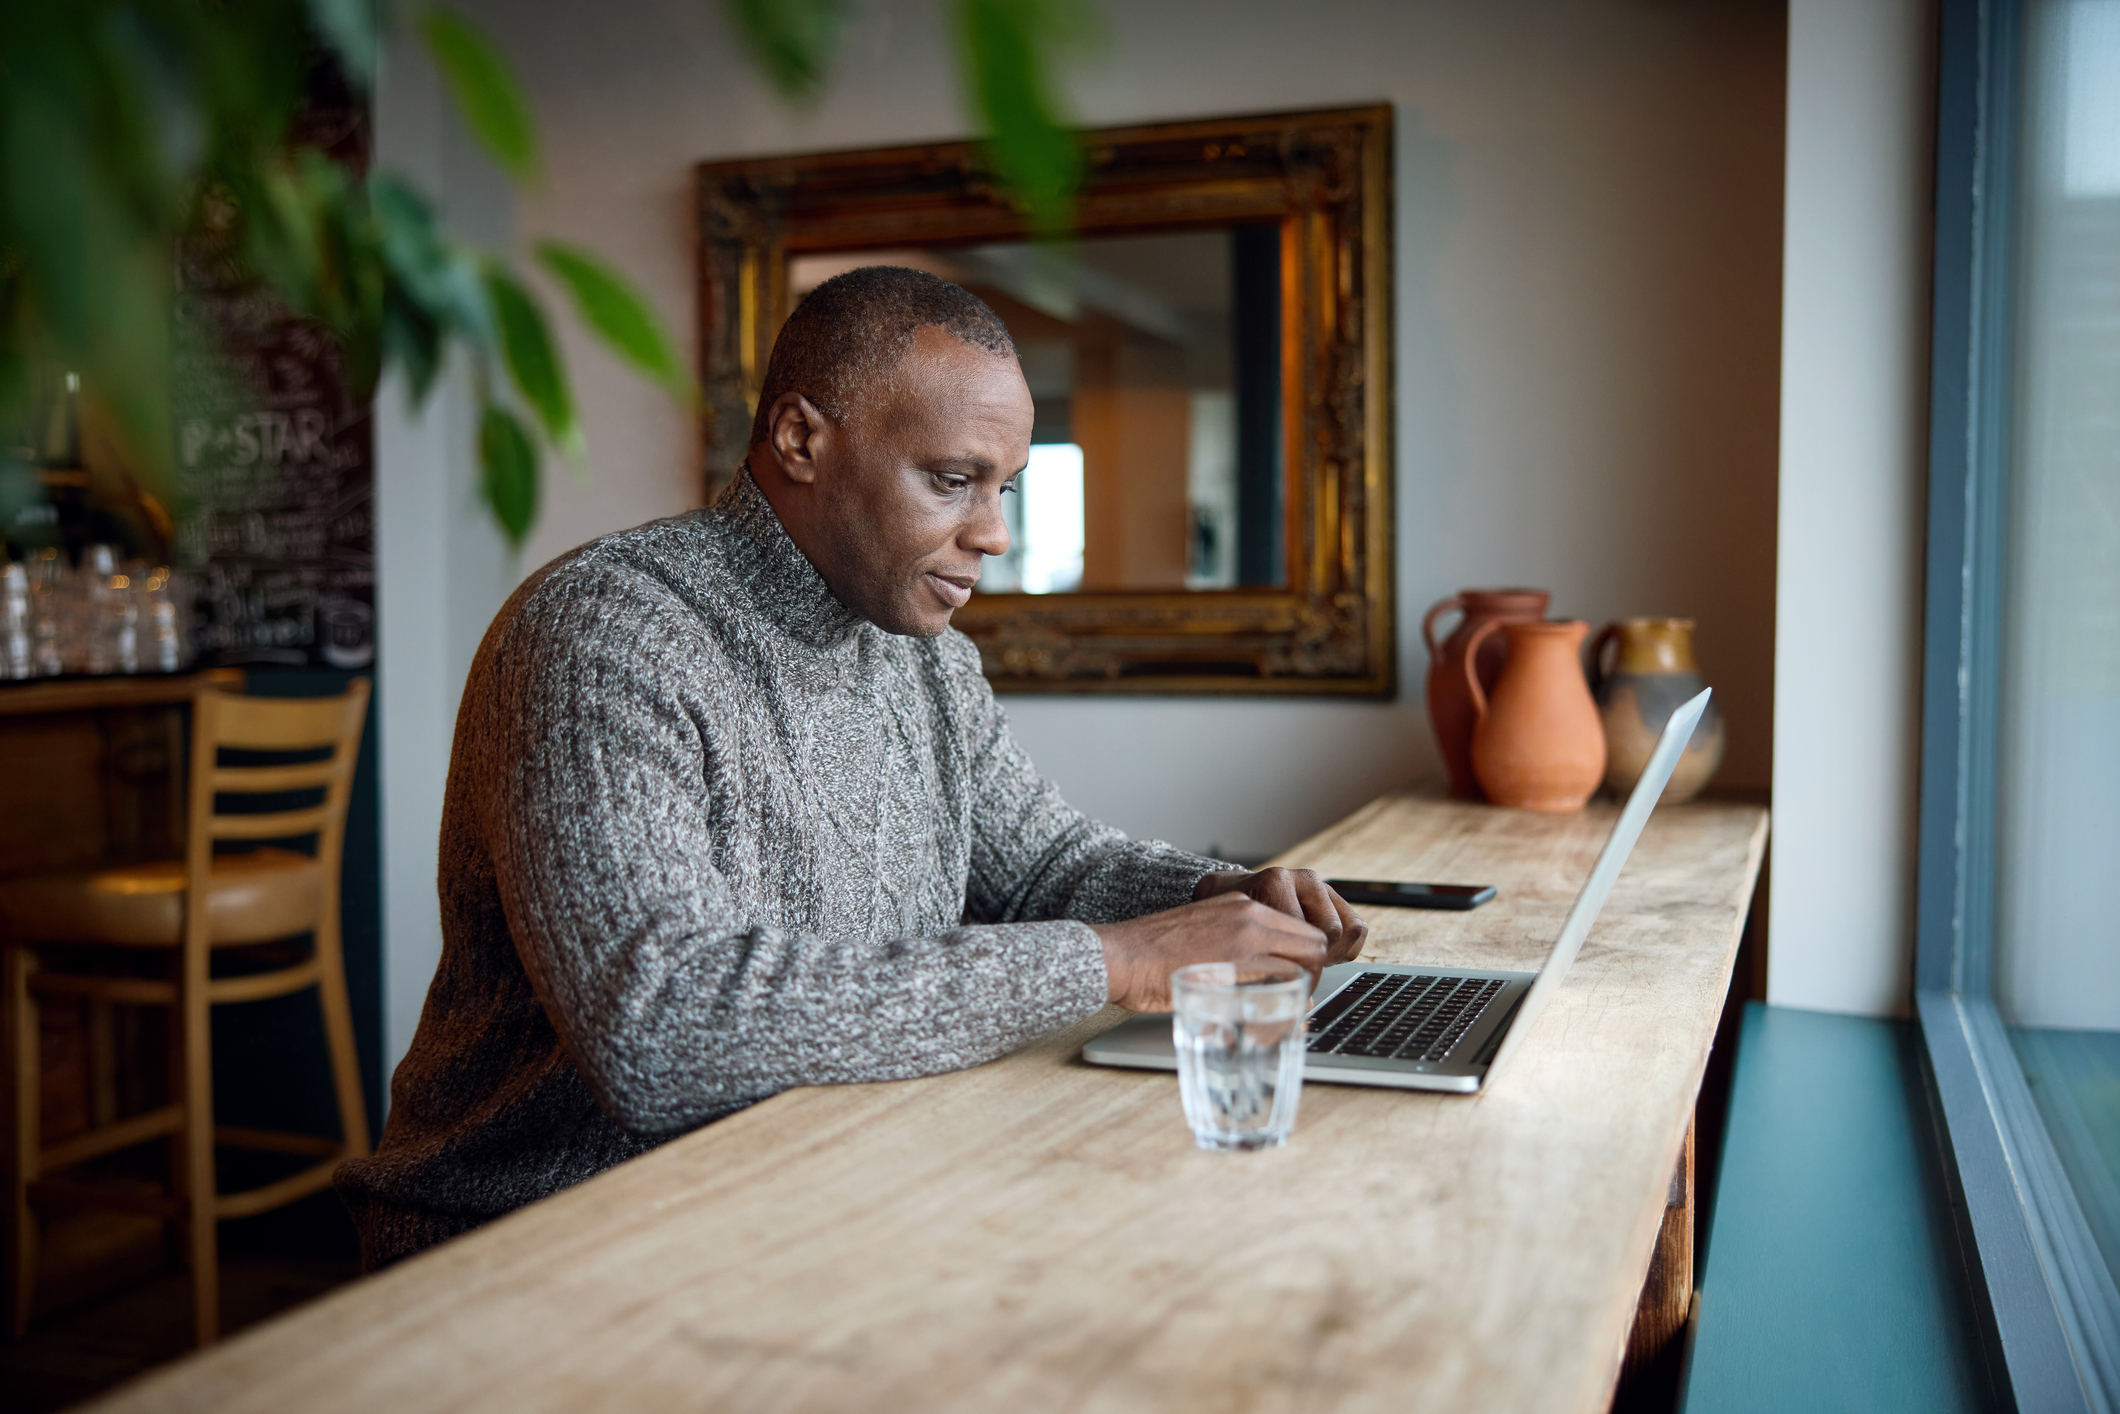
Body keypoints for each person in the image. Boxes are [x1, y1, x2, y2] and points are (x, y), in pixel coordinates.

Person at [336, 267, 1367, 1269]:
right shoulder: (605, 635)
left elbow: (1047, 861)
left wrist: (1213, 898)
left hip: (802, 1200)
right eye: (952, 480)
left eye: (1004, 487)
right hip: (543, 1251)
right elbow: (662, 1024)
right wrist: (1112, 959)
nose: (995, 533)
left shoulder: (923, 656)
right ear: (800, 441)